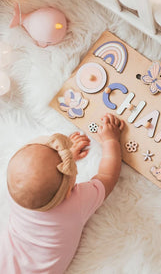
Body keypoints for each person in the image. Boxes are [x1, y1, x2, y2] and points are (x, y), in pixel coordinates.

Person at [0, 113, 124, 273]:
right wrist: (110, 141)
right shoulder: (75, 203)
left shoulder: (19, 192)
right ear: (68, 192)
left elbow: (41, 176)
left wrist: (67, 158)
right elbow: (108, 176)